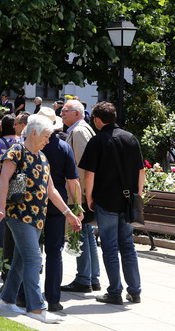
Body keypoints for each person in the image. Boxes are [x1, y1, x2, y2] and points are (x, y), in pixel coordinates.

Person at [0, 114, 81, 324]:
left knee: (21, 261)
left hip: (37, 218)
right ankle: (36, 308)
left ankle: (7, 299)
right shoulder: (16, 151)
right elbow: (3, 180)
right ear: (34, 133)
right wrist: (0, 207)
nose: (48, 140)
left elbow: (51, 190)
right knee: (34, 259)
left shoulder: (42, 157)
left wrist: (68, 213)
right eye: (46, 136)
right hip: (19, 215)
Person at [79, 101, 144, 305]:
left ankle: (115, 292)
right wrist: (138, 196)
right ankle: (135, 290)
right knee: (128, 245)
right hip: (127, 201)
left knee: (109, 247)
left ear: (98, 120)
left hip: (105, 200)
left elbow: (89, 175)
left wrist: (89, 197)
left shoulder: (97, 141)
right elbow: (141, 171)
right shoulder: (130, 138)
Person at [37, 107, 81, 312]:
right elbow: (73, 180)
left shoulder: (30, 146)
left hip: (33, 202)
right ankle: (53, 299)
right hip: (58, 204)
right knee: (55, 251)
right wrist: (76, 206)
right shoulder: (63, 147)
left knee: (29, 251)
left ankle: (23, 295)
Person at [60, 99, 101, 294]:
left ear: (77, 113)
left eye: (65, 111)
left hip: (80, 194)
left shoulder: (78, 132)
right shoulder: (80, 130)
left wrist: (82, 196)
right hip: (83, 193)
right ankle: (91, 277)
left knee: (81, 233)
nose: (61, 114)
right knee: (86, 234)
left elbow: (83, 167)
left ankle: (85, 278)